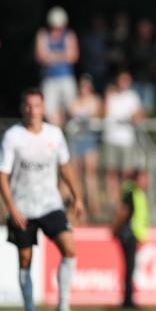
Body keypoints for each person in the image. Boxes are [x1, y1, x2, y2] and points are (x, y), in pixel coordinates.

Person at [0, 88, 86, 311]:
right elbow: (2, 176)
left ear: (43, 108)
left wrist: (77, 197)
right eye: (27, 105)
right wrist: (11, 208)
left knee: (69, 247)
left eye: (36, 106)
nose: (32, 110)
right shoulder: (12, 136)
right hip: (22, 208)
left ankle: (63, 308)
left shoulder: (54, 135)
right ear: (22, 108)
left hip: (50, 205)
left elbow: (65, 167)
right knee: (25, 259)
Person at [103, 70, 145, 211]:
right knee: (111, 172)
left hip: (126, 140)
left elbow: (139, 115)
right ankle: (112, 202)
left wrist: (133, 116)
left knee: (126, 172)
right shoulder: (111, 95)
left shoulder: (132, 96)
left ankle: (124, 201)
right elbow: (103, 113)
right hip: (111, 138)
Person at [36, 6, 79, 127]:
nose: (57, 30)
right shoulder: (43, 34)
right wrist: (63, 55)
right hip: (49, 78)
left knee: (72, 109)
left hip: (66, 78)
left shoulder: (69, 34)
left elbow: (73, 56)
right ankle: (56, 135)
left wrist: (51, 56)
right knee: (50, 111)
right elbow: (40, 56)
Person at [112, 170, 149, 310]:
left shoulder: (138, 194)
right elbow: (123, 212)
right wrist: (115, 229)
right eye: (143, 178)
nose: (146, 182)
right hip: (128, 235)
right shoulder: (131, 194)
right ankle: (127, 300)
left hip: (134, 235)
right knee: (129, 267)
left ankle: (128, 299)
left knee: (131, 268)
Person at [67, 74, 103, 220]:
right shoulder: (74, 101)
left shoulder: (95, 100)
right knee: (76, 175)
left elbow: (96, 116)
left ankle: (93, 205)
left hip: (88, 140)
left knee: (90, 174)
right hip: (77, 140)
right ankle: (78, 203)